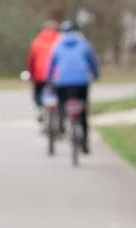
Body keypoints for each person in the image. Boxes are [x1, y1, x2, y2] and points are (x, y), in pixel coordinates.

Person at [46, 20, 98, 154]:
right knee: (83, 111)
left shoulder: (57, 45)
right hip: (81, 82)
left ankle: (62, 126)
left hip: (62, 82)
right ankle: (85, 143)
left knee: (62, 105)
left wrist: (49, 79)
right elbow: (93, 62)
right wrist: (95, 74)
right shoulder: (84, 44)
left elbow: (51, 66)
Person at [24, 10, 62, 120]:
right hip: (56, 74)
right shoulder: (60, 40)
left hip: (39, 74)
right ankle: (59, 112)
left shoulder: (36, 41)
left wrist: (30, 74)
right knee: (58, 93)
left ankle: (40, 108)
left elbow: (31, 60)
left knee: (37, 92)